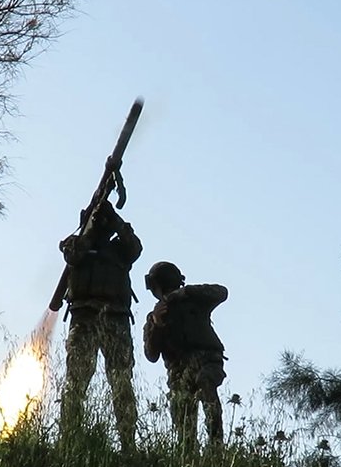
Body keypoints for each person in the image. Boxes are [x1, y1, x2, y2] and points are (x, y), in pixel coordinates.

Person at [58, 175, 142, 450]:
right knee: (76, 383)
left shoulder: (120, 250)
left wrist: (116, 220)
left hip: (116, 319)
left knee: (121, 384)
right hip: (84, 319)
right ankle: (69, 440)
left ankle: (128, 444)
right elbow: (74, 255)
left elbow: (135, 248)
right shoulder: (76, 243)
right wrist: (92, 225)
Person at [141, 261, 228, 449]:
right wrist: (157, 323)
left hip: (207, 361)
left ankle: (216, 445)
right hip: (179, 372)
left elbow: (222, 292)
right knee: (182, 417)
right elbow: (151, 354)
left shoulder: (193, 300)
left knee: (205, 383)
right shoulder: (155, 316)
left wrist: (186, 292)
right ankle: (189, 457)